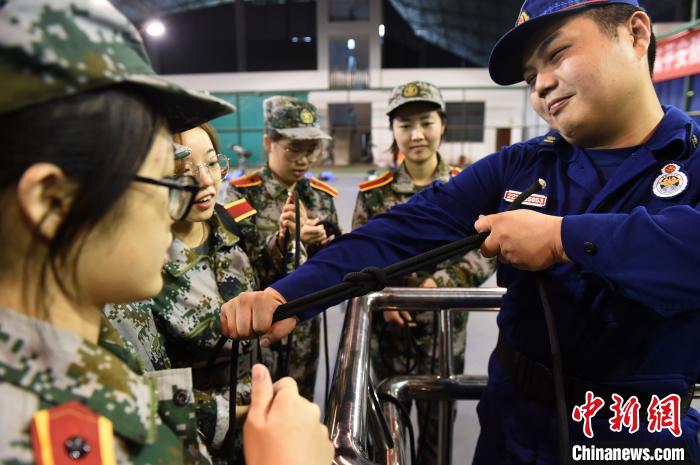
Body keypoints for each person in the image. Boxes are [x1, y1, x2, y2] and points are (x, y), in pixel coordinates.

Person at [220, 1, 700, 463]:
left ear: (636, 34)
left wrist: (561, 238)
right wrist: (287, 295)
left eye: (556, 55)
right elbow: (400, 232)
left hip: (638, 428)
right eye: (531, 78)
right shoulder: (522, 165)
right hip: (514, 422)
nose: (542, 86)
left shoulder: (692, 159)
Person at [0, 2, 334, 465]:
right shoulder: (36, 434)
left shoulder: (90, 344)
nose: (177, 208)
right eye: (164, 181)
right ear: (53, 203)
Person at [352, 80, 495, 464]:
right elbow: (362, 255)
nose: (416, 135)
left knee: (437, 438)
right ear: (393, 132)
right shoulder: (373, 193)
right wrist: (388, 292)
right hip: (388, 336)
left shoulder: (470, 186)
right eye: (405, 125)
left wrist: (438, 285)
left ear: (442, 125)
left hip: (444, 336)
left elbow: (485, 252)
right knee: (384, 436)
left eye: (426, 123)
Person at [104, 124, 258, 464]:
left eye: (213, 164)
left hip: (257, 403)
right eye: (180, 173)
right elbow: (150, 386)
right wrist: (243, 416)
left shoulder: (229, 223)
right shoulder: (140, 267)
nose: (204, 181)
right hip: (201, 432)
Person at [221, 96, 340, 400]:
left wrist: (323, 243)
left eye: (311, 149)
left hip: (305, 329)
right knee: (256, 412)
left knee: (301, 406)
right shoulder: (238, 195)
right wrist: (286, 239)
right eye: (293, 148)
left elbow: (335, 265)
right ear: (267, 143)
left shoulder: (320, 197)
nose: (303, 160)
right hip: (257, 331)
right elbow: (235, 269)